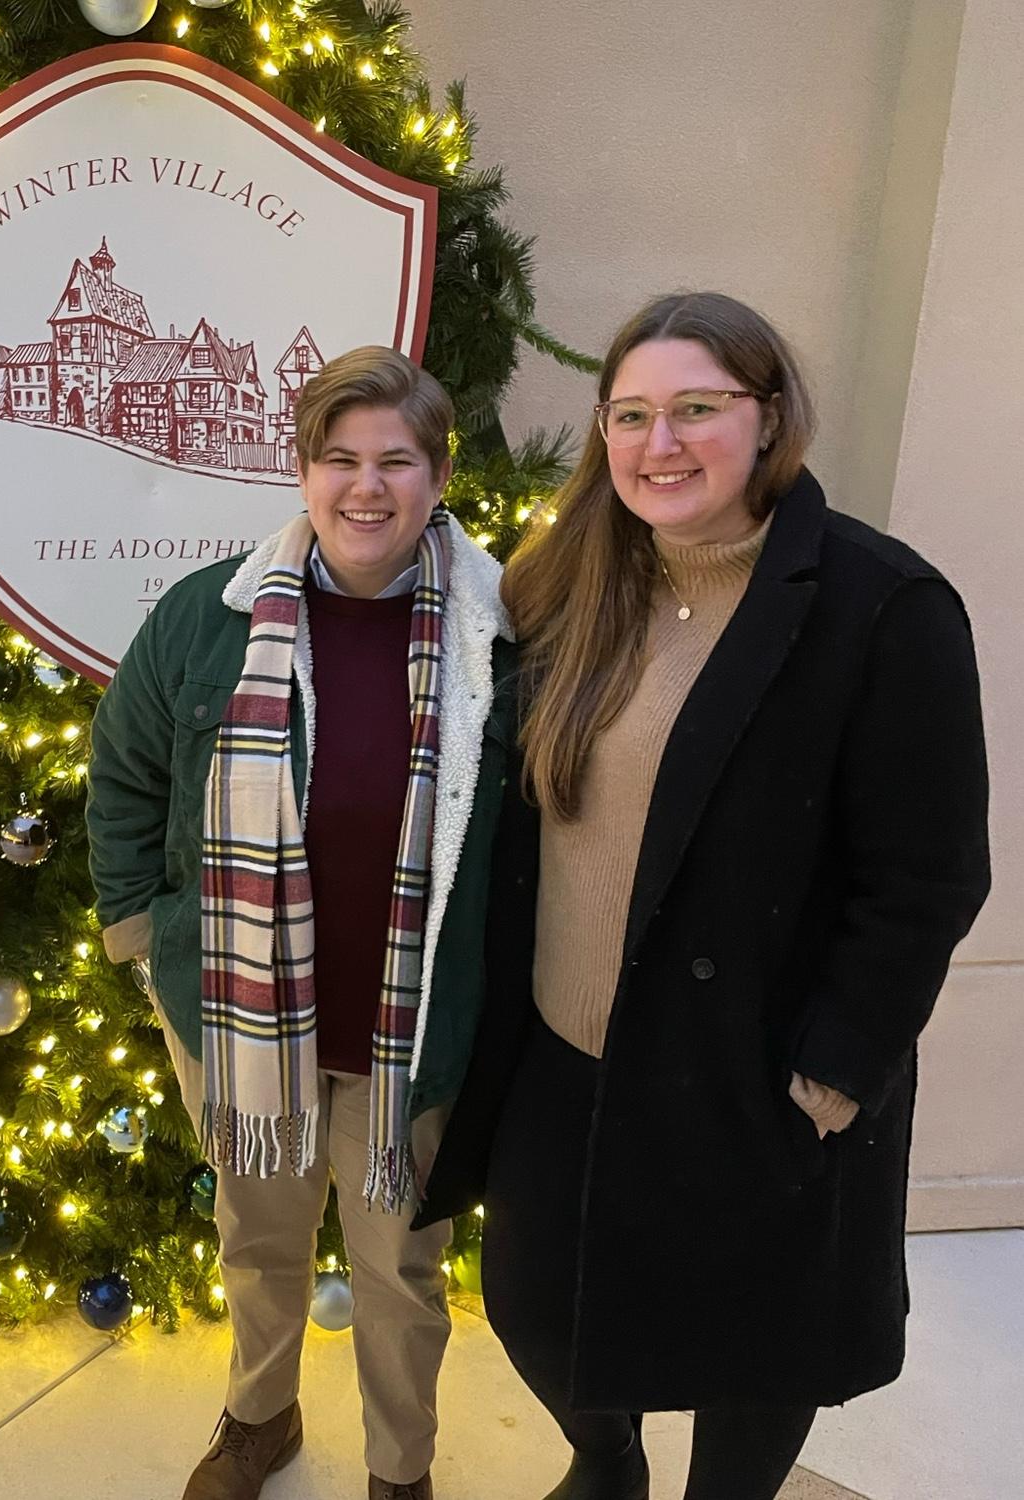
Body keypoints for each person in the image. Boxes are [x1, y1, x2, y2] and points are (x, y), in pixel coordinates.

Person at [417, 292, 991, 1500]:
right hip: (562, 1052)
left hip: (757, 1065)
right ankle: (606, 1464)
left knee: (754, 1349)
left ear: (769, 416)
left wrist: (837, 1072)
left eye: (696, 409)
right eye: (630, 414)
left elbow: (929, 874)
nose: (658, 443)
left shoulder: (880, 607)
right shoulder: (569, 580)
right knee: (539, 1304)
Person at [86, 346, 516, 1500]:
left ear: (438, 476)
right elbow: (124, 773)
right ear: (303, 471)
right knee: (259, 1243)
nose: (366, 488)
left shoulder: (496, 633)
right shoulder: (210, 617)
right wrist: (140, 936)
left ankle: (399, 1469)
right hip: (241, 1019)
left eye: (396, 461)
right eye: (340, 460)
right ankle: (258, 1419)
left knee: (400, 1272)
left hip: (410, 1033)